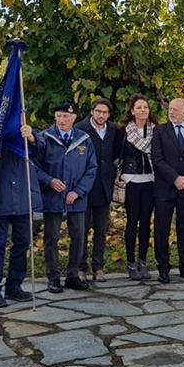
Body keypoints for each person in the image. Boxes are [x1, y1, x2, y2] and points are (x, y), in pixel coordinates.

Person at [27, 103, 98, 293]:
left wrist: (79, 191)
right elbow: (33, 165)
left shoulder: (84, 140)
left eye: (66, 117)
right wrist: (49, 181)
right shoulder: (44, 138)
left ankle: (73, 275)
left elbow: (91, 169)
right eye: (58, 116)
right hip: (53, 198)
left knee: (79, 237)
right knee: (52, 238)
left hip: (77, 199)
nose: (62, 120)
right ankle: (53, 277)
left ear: (73, 119)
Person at [0, 150, 43, 308]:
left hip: (22, 200)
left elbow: (41, 150)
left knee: (22, 243)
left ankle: (14, 286)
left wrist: (31, 136)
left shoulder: (26, 137)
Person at [151, 98, 184, 283]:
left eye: (175, 110)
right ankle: (163, 268)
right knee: (161, 230)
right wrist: (175, 178)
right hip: (165, 188)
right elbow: (157, 159)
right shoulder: (159, 131)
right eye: (170, 109)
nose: (171, 112)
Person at [74, 98, 124, 283]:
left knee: (101, 230)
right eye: (98, 111)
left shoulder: (113, 130)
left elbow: (117, 152)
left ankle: (98, 267)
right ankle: (80, 267)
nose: (101, 115)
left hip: (105, 186)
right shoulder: (80, 129)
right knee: (82, 230)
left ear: (109, 114)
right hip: (85, 187)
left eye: (105, 112)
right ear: (92, 112)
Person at [120, 94, 157, 281]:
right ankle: (131, 262)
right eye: (139, 107)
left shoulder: (155, 131)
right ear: (132, 111)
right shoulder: (125, 132)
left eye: (145, 107)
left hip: (150, 180)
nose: (143, 110)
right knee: (132, 222)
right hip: (132, 180)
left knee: (145, 223)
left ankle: (143, 261)